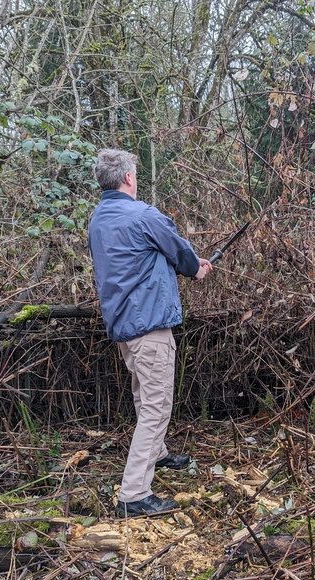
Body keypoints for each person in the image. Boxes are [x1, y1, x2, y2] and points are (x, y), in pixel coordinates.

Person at [88, 148, 213, 518]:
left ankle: (156, 455)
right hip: (149, 326)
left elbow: (137, 262)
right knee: (157, 407)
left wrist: (184, 264)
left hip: (124, 325)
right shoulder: (143, 214)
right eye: (136, 175)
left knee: (145, 394)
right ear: (128, 178)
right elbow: (181, 253)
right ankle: (133, 494)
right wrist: (196, 268)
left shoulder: (98, 219)